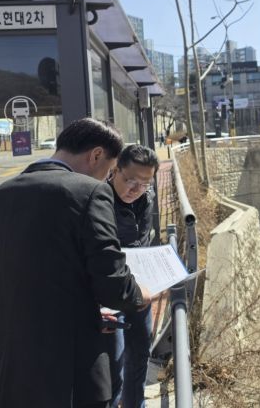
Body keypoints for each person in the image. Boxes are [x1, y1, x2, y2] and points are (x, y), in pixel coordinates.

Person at [0, 118, 151, 408]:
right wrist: (140, 294)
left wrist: (87, 315)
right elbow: (114, 285)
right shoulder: (89, 192)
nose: (105, 179)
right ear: (96, 155)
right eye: (109, 171)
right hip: (61, 374)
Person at [106, 144, 159, 408]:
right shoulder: (98, 201)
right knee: (113, 365)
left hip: (139, 287)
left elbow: (143, 242)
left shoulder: (146, 198)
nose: (136, 189)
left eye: (145, 184)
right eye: (131, 181)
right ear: (116, 170)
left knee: (139, 354)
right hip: (110, 293)